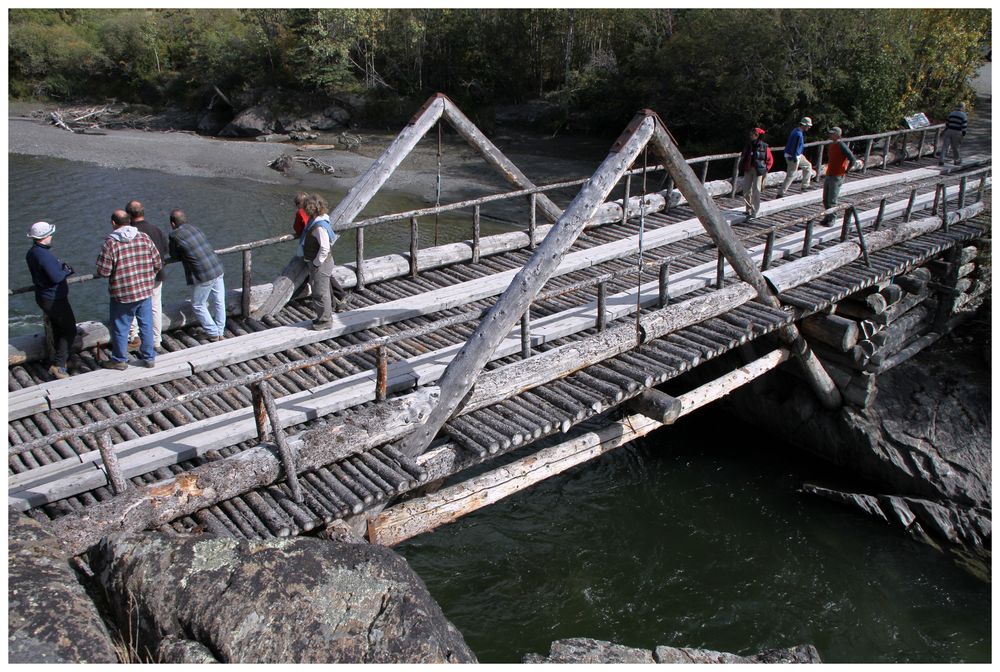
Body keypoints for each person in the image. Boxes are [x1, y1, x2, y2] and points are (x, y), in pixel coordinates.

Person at [95, 210, 162, 370]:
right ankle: (149, 357)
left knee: (121, 327)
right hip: (145, 290)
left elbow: (103, 271)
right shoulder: (144, 237)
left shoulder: (110, 243)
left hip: (123, 294)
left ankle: (119, 360)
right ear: (130, 221)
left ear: (113, 223)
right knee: (146, 324)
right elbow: (158, 263)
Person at [25, 221, 77, 380]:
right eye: (49, 234)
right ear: (43, 237)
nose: (51, 236)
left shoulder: (32, 252)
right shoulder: (44, 255)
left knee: (58, 329)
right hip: (54, 298)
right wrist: (66, 271)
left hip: (43, 296)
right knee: (69, 329)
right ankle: (59, 366)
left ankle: (61, 360)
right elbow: (55, 277)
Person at [167, 209, 227, 342]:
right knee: (219, 300)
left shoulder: (174, 235)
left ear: (172, 223)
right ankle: (221, 330)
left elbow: (174, 255)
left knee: (198, 304)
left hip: (203, 274)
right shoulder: (195, 228)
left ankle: (213, 333)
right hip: (216, 267)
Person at [300, 194, 349, 330]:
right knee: (323, 291)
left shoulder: (319, 227)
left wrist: (316, 262)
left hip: (321, 264)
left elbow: (325, 247)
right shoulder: (320, 220)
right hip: (322, 263)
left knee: (320, 293)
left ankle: (325, 321)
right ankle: (324, 317)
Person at [125, 199, 168, 350]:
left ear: (129, 215)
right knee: (155, 307)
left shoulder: (130, 233)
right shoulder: (156, 229)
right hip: (157, 274)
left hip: (139, 277)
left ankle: (134, 337)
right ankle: (156, 340)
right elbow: (165, 249)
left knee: (133, 306)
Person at [821, 127, 860, 225]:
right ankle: (827, 216)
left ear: (837, 135)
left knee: (832, 199)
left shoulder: (841, 145)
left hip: (837, 175)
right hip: (829, 174)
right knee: (825, 199)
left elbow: (852, 159)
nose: (830, 135)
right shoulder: (831, 145)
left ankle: (832, 218)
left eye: (832, 134)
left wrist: (846, 170)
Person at [776, 116, 814, 198]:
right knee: (791, 175)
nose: (809, 127)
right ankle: (781, 193)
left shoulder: (796, 130)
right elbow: (794, 147)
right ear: (804, 125)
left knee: (808, 166)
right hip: (793, 156)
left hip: (797, 155)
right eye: (808, 125)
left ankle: (805, 185)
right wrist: (793, 158)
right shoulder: (798, 134)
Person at [739, 127, 769, 219]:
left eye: (752, 134)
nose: (750, 136)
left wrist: (765, 170)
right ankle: (748, 209)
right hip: (748, 169)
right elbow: (744, 156)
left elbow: (769, 159)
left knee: (756, 190)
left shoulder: (764, 146)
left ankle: (755, 211)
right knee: (746, 190)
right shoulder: (748, 145)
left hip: (758, 170)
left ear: (757, 135)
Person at [939, 102, 968, 166]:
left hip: (949, 131)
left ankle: (941, 160)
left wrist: (944, 131)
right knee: (955, 147)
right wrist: (963, 135)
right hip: (957, 132)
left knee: (945, 146)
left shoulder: (951, 113)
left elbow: (947, 123)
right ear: (963, 107)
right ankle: (956, 160)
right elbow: (964, 127)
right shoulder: (964, 115)